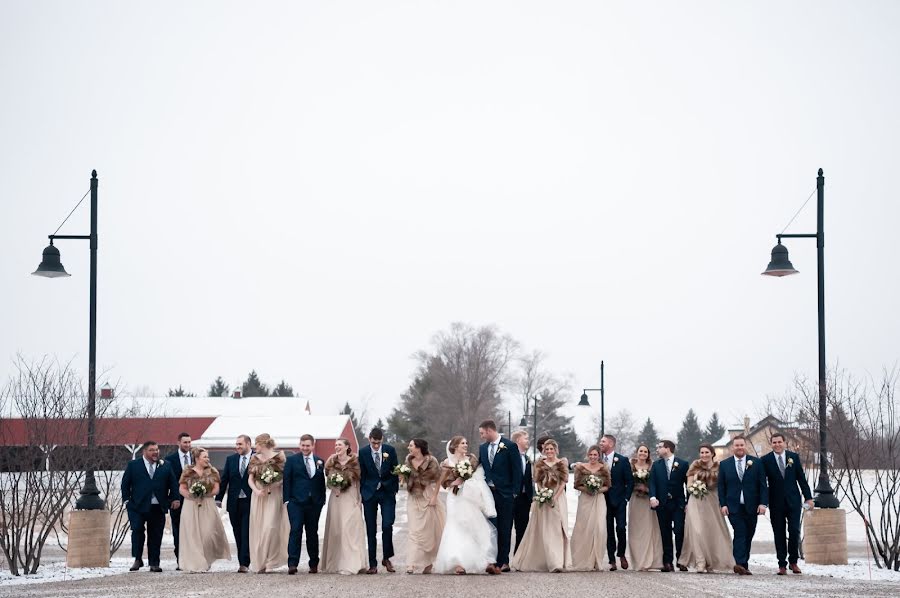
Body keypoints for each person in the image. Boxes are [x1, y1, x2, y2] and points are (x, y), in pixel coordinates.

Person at [434, 436, 497, 575]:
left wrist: (465, 480)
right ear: (455, 446)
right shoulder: (447, 462)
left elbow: (479, 477)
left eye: (466, 443)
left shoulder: (471, 460)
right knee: (455, 526)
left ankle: (478, 560)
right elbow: (442, 481)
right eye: (463, 443)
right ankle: (458, 563)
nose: (466, 445)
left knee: (472, 526)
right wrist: (452, 483)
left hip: (469, 498)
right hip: (455, 498)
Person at [510, 439, 571, 572]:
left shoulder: (561, 464)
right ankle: (545, 559)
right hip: (543, 497)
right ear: (544, 450)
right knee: (543, 529)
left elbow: (563, 483)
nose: (549, 451)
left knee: (557, 529)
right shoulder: (539, 464)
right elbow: (537, 482)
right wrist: (543, 493)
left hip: (558, 497)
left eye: (551, 449)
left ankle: (557, 562)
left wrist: (554, 497)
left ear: (556, 450)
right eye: (547, 449)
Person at [121, 440, 180, 572]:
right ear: (144, 452)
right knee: (137, 531)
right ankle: (137, 559)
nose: (155, 452)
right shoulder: (133, 465)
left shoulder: (165, 465)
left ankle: (154, 562)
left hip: (158, 506)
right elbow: (125, 484)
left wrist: (175, 498)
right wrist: (126, 501)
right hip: (137, 506)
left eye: (157, 450)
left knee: (156, 534)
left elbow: (173, 483)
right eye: (152, 450)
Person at [761, 432, 813, 575]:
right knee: (779, 533)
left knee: (794, 531)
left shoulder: (793, 457)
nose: (777, 444)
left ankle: (793, 562)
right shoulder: (765, 460)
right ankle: (782, 564)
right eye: (774, 442)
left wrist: (808, 498)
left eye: (779, 442)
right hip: (775, 502)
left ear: (785, 443)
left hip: (793, 502)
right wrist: (763, 502)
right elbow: (762, 484)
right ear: (771, 444)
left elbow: (801, 479)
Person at [678, 444, 734, 573]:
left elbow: (723, 484)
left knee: (710, 531)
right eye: (702, 452)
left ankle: (711, 562)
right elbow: (689, 485)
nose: (704, 455)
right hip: (696, 500)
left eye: (706, 452)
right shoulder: (694, 466)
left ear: (712, 453)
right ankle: (700, 562)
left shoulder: (719, 467)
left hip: (712, 501)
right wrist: (696, 488)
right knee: (697, 531)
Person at [718, 435, 768, 575]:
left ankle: (743, 564)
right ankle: (739, 563)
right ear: (732, 447)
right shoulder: (724, 464)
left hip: (752, 506)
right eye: (736, 445)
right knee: (740, 532)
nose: (739, 447)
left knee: (749, 534)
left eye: (741, 445)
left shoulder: (756, 463)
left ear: (745, 446)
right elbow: (721, 487)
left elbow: (763, 485)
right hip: (733, 506)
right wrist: (723, 504)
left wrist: (763, 503)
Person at [478, 419, 523, 573]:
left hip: (506, 494)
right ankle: (491, 559)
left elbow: (517, 470)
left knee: (505, 527)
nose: (482, 436)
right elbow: (478, 465)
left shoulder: (509, 446)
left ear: (490, 430)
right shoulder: (482, 448)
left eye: (482, 433)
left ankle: (503, 561)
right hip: (487, 494)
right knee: (491, 527)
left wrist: (514, 492)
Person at [178, 447, 232, 572]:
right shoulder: (188, 471)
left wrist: (204, 493)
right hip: (191, 505)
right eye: (205, 457)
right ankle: (196, 563)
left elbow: (216, 489)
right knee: (192, 534)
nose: (207, 459)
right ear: (197, 458)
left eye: (208, 457)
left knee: (208, 533)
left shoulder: (212, 471)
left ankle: (207, 559)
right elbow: (182, 488)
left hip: (207, 504)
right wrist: (192, 496)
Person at [321, 438, 368, 575]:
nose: (337, 447)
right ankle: (335, 563)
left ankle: (352, 563)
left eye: (340, 445)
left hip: (351, 496)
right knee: (337, 529)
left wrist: (359, 499)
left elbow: (359, 482)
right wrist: (333, 487)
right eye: (335, 445)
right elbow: (328, 479)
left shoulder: (355, 462)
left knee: (349, 529)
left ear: (347, 447)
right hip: (336, 498)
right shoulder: (331, 462)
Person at [283, 433, 326, 574]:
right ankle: (292, 563)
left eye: (308, 445)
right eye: (303, 445)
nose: (305, 448)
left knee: (312, 533)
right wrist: (287, 500)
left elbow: (321, 483)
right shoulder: (291, 460)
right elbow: (287, 481)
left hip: (314, 503)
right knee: (295, 530)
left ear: (312, 446)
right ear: (299, 445)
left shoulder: (319, 461)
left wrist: (322, 500)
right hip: (296, 502)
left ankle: (314, 563)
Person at [359, 427, 399, 574]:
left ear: (382, 440)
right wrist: (363, 491)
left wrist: (393, 488)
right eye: (374, 442)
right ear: (369, 439)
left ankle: (386, 558)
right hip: (369, 494)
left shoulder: (390, 450)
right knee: (371, 528)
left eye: (379, 443)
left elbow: (396, 470)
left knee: (387, 525)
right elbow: (361, 473)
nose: (376, 445)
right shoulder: (363, 452)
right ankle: (372, 563)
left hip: (387, 493)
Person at [247, 433, 289, 573]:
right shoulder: (254, 458)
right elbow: (250, 479)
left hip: (274, 495)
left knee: (270, 527)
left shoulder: (279, 458)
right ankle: (261, 562)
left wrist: (273, 485)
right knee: (258, 529)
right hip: (259, 496)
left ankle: (272, 560)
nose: (254, 446)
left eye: (256, 444)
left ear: (263, 444)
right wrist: (256, 491)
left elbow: (284, 478)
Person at [403, 438, 445, 574]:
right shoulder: (408, 460)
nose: (408, 448)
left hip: (427, 496)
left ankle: (428, 563)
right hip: (413, 498)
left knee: (428, 533)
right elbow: (406, 477)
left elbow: (438, 479)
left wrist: (434, 497)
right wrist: (402, 477)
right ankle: (411, 564)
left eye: (411, 445)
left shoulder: (431, 461)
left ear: (419, 447)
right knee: (414, 531)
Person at [648, 439, 689, 572]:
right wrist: (653, 497)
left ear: (667, 448)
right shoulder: (656, 465)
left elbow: (688, 484)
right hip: (662, 504)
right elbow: (652, 482)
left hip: (678, 504)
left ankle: (681, 560)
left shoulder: (682, 464)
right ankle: (667, 562)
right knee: (665, 533)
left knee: (679, 531)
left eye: (659, 447)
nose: (657, 449)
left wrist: (688, 502)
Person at [215, 435, 253, 572]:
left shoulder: (257, 458)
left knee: (246, 531)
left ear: (248, 444)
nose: (237, 447)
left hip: (251, 501)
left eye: (240, 444)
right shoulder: (231, 460)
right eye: (236, 444)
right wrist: (218, 498)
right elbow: (224, 479)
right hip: (234, 502)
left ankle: (244, 563)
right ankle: (242, 560)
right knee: (237, 532)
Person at [571, 445, 611, 571]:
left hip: (599, 499)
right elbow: (576, 485)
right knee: (585, 528)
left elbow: (607, 486)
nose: (593, 457)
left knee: (599, 528)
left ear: (599, 456)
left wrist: (598, 489)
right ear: (588, 455)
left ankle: (596, 559)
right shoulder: (581, 468)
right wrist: (588, 489)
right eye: (591, 455)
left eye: (595, 455)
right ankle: (583, 558)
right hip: (585, 499)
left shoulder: (604, 468)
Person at [600, 434, 634, 571]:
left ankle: (621, 554)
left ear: (611, 444)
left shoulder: (622, 460)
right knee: (608, 530)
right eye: (600, 441)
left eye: (603, 441)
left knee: (621, 528)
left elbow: (630, 481)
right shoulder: (599, 460)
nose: (600, 443)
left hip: (620, 501)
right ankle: (612, 560)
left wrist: (626, 498)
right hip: (603, 501)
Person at [627, 444, 663, 571]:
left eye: (645, 452)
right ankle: (638, 561)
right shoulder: (630, 465)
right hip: (635, 499)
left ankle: (648, 560)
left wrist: (647, 489)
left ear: (648, 454)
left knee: (648, 528)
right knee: (635, 529)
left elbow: (655, 482)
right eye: (641, 451)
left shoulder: (652, 466)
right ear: (637, 452)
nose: (643, 453)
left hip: (648, 500)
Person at [163, 432, 192, 568]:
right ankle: (181, 559)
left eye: (189, 442)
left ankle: (193, 558)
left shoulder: (195, 458)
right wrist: (171, 499)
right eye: (185, 442)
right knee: (178, 530)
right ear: (178, 443)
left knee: (193, 530)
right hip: (177, 501)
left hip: (194, 500)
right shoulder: (170, 460)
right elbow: (167, 481)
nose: (187, 445)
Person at [512, 430, 533, 552]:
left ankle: (518, 556)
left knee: (522, 528)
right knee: (508, 527)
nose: (528, 440)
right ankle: (504, 560)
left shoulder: (527, 458)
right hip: (512, 497)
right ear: (518, 440)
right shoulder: (510, 457)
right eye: (525, 438)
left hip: (525, 498)